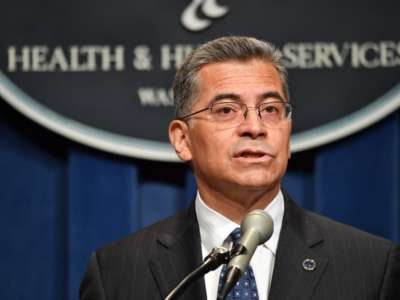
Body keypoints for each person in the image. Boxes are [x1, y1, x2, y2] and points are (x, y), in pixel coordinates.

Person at [80, 36, 400, 300]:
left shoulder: (371, 266)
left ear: (288, 135)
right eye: (227, 110)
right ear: (182, 139)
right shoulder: (117, 273)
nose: (254, 127)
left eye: (271, 109)